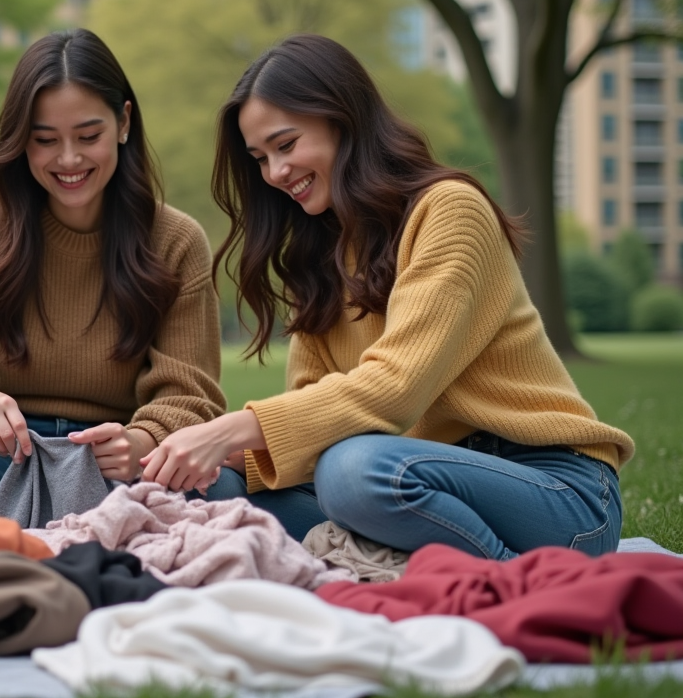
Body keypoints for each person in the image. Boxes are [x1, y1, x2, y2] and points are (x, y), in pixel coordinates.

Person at [140, 34, 635, 559]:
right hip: (411, 483)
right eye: (260, 158)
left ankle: (509, 584)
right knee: (209, 491)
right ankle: (415, 563)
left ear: (343, 119)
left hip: (554, 491)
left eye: (286, 145)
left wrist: (235, 427)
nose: (275, 174)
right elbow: (313, 418)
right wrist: (184, 454)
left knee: (353, 471)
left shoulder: (450, 211)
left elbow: (396, 388)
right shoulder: (321, 254)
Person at [0, 28, 228, 502]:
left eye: (89, 136)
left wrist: (140, 442)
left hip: (121, 463)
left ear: (124, 122)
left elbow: (192, 399)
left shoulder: (176, 240)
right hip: (2, 457)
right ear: (20, 141)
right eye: (45, 140)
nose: (69, 159)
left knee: (223, 485)